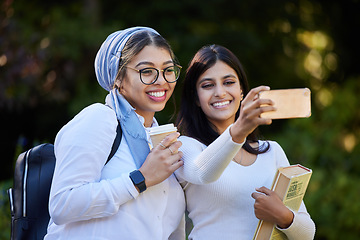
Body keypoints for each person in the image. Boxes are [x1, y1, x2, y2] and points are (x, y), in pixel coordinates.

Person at [45, 26, 186, 240]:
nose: (161, 80)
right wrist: (141, 179)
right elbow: (62, 204)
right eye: (146, 71)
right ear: (118, 78)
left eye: (168, 70)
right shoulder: (100, 119)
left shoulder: (162, 139)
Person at [175, 44, 316, 240]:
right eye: (207, 85)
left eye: (228, 82)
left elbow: (307, 234)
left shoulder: (271, 151)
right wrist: (239, 129)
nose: (220, 92)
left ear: (242, 90)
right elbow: (202, 172)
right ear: (196, 98)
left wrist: (283, 216)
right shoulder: (187, 147)